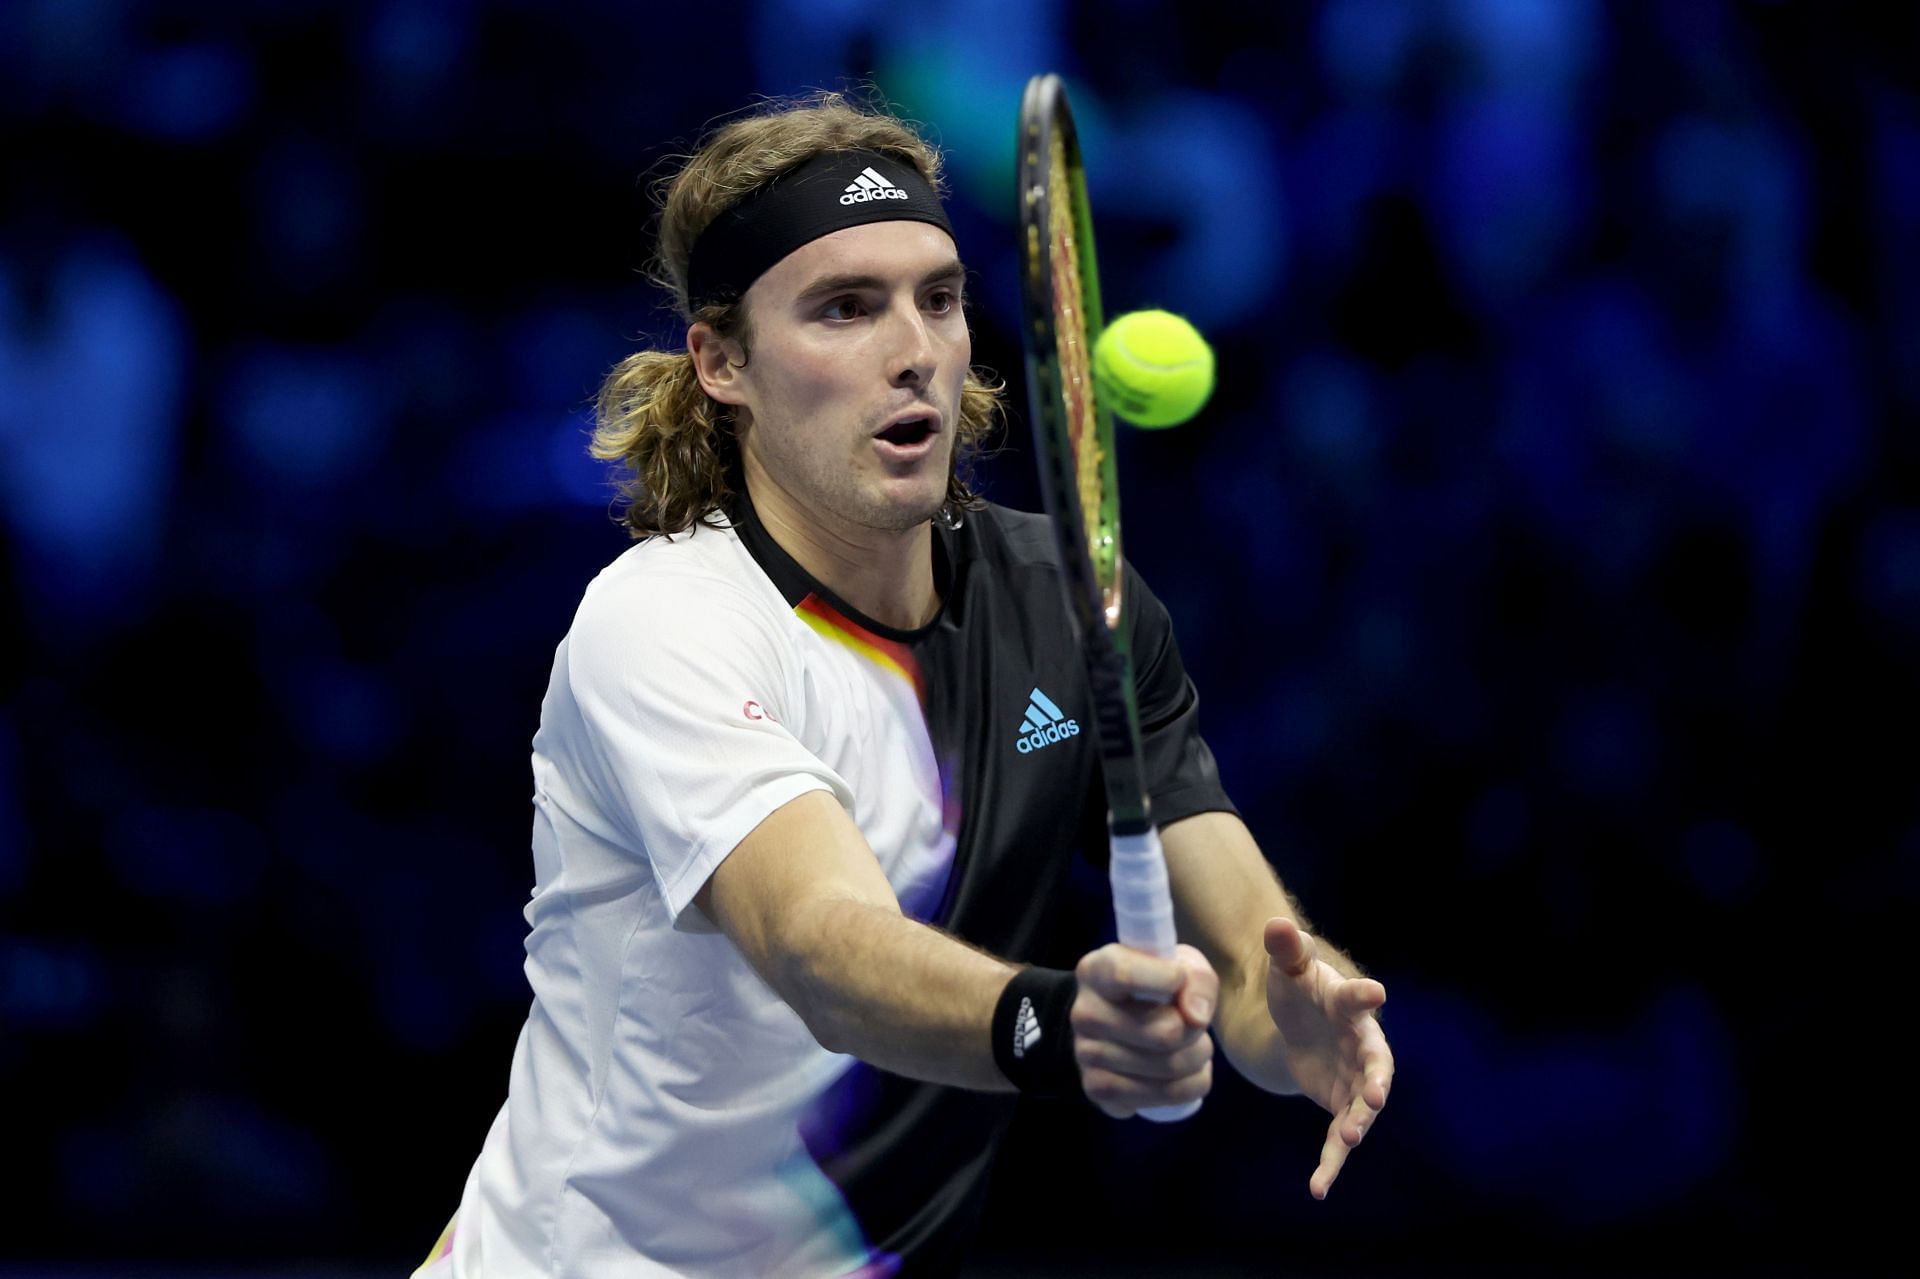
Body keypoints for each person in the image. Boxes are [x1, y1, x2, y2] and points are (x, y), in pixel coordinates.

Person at [414, 93, 1393, 1278]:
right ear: (722, 362)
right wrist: (1055, 1020)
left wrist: (1298, 1012)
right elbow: (821, 943)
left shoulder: (1069, 602)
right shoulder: (663, 621)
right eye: (845, 308)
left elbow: (1247, 948)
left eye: (937, 298)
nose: (914, 347)